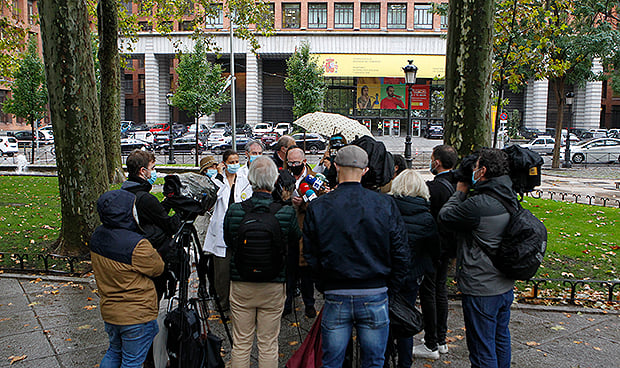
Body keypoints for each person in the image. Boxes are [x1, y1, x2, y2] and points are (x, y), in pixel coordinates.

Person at [303, 145, 409, 368]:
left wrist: (324, 283)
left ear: (337, 167)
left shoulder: (319, 207)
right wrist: (391, 286)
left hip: (336, 291)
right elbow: (400, 251)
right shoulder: (384, 204)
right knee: (374, 362)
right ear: (365, 170)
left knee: (331, 361)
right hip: (375, 291)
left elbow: (311, 253)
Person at [439, 148, 517, 368]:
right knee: (500, 338)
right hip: (503, 283)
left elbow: (445, 216)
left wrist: (461, 191)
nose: (472, 170)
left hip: (482, 286)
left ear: (482, 171)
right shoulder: (508, 193)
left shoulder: (480, 204)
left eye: (475, 167)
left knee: (482, 349)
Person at [223, 156, 302, 368]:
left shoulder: (235, 210)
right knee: (268, 343)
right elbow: (294, 239)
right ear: (275, 180)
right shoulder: (285, 211)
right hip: (273, 283)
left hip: (242, 282)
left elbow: (229, 241)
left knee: (241, 343)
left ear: (250, 180)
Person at [90, 189, 165, 368]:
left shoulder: (97, 236)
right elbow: (157, 268)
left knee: (114, 351)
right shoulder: (136, 244)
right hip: (135, 313)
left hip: (111, 310)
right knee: (132, 361)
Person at [121, 149, 179, 368]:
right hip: (149, 259)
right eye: (153, 169)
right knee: (148, 312)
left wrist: (164, 204)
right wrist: (180, 211)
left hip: (130, 258)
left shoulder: (126, 191)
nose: (155, 173)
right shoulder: (144, 197)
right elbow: (168, 224)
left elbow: (153, 215)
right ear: (143, 171)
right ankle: (146, 358)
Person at [387, 169, 439, 368]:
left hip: (389, 272)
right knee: (405, 318)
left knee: (386, 317)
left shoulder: (387, 210)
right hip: (413, 274)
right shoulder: (426, 218)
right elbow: (434, 249)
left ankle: (384, 357)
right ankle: (405, 363)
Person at [413, 144, 458, 359]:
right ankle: (440, 339)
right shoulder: (456, 185)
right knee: (440, 292)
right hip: (448, 247)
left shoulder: (435, 187)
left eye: (432, 158)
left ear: (437, 162)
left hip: (434, 248)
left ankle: (431, 342)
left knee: (429, 292)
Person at [203, 149, 253, 311]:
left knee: (239, 269)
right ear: (224, 164)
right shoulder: (217, 180)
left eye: (236, 161)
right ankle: (222, 303)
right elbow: (213, 197)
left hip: (239, 229)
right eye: (231, 162)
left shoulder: (244, 180)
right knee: (221, 272)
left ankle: (239, 303)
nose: (234, 165)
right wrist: (218, 176)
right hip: (221, 230)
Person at [283, 147, 319, 318]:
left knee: (307, 272)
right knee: (289, 270)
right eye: (290, 162)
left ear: (304, 161)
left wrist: (303, 204)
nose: (293, 165)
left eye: (296, 162)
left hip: (307, 232)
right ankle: (287, 303)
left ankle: (309, 304)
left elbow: (320, 204)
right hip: (289, 232)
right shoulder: (283, 175)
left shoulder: (314, 179)